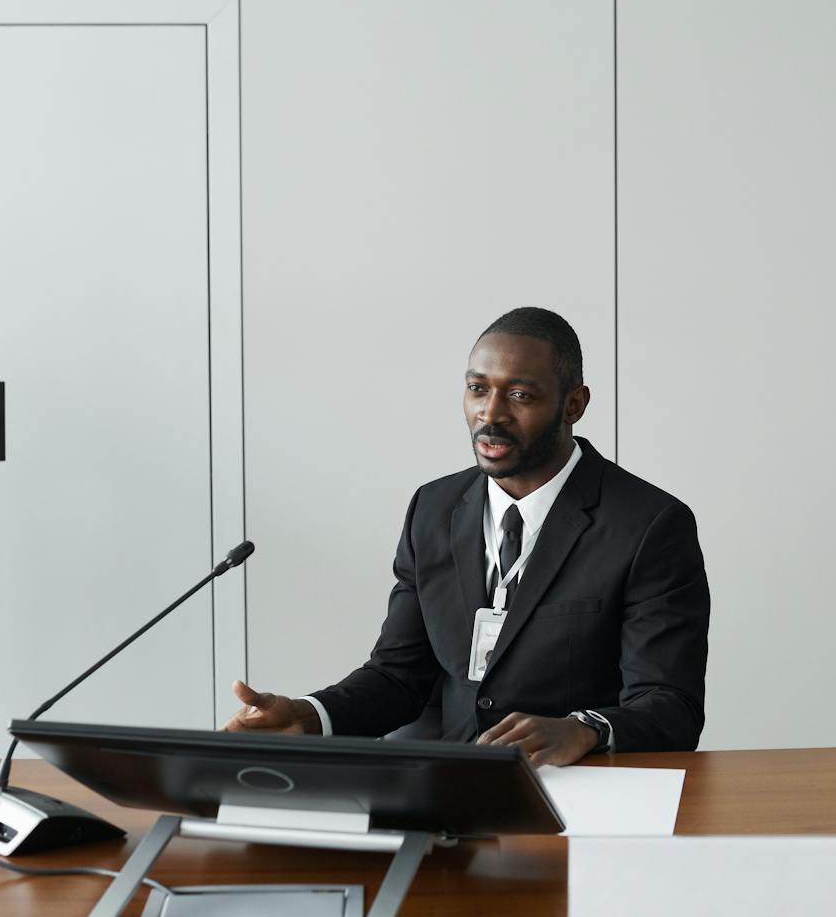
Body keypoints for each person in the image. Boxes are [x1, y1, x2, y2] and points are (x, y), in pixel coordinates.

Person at [222, 307, 710, 767]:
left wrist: (582, 730)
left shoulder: (649, 525)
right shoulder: (433, 509)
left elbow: (670, 705)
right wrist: (307, 718)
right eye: (478, 389)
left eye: (520, 395)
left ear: (574, 405)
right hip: (450, 789)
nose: (490, 413)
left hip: (579, 790)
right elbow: (398, 676)